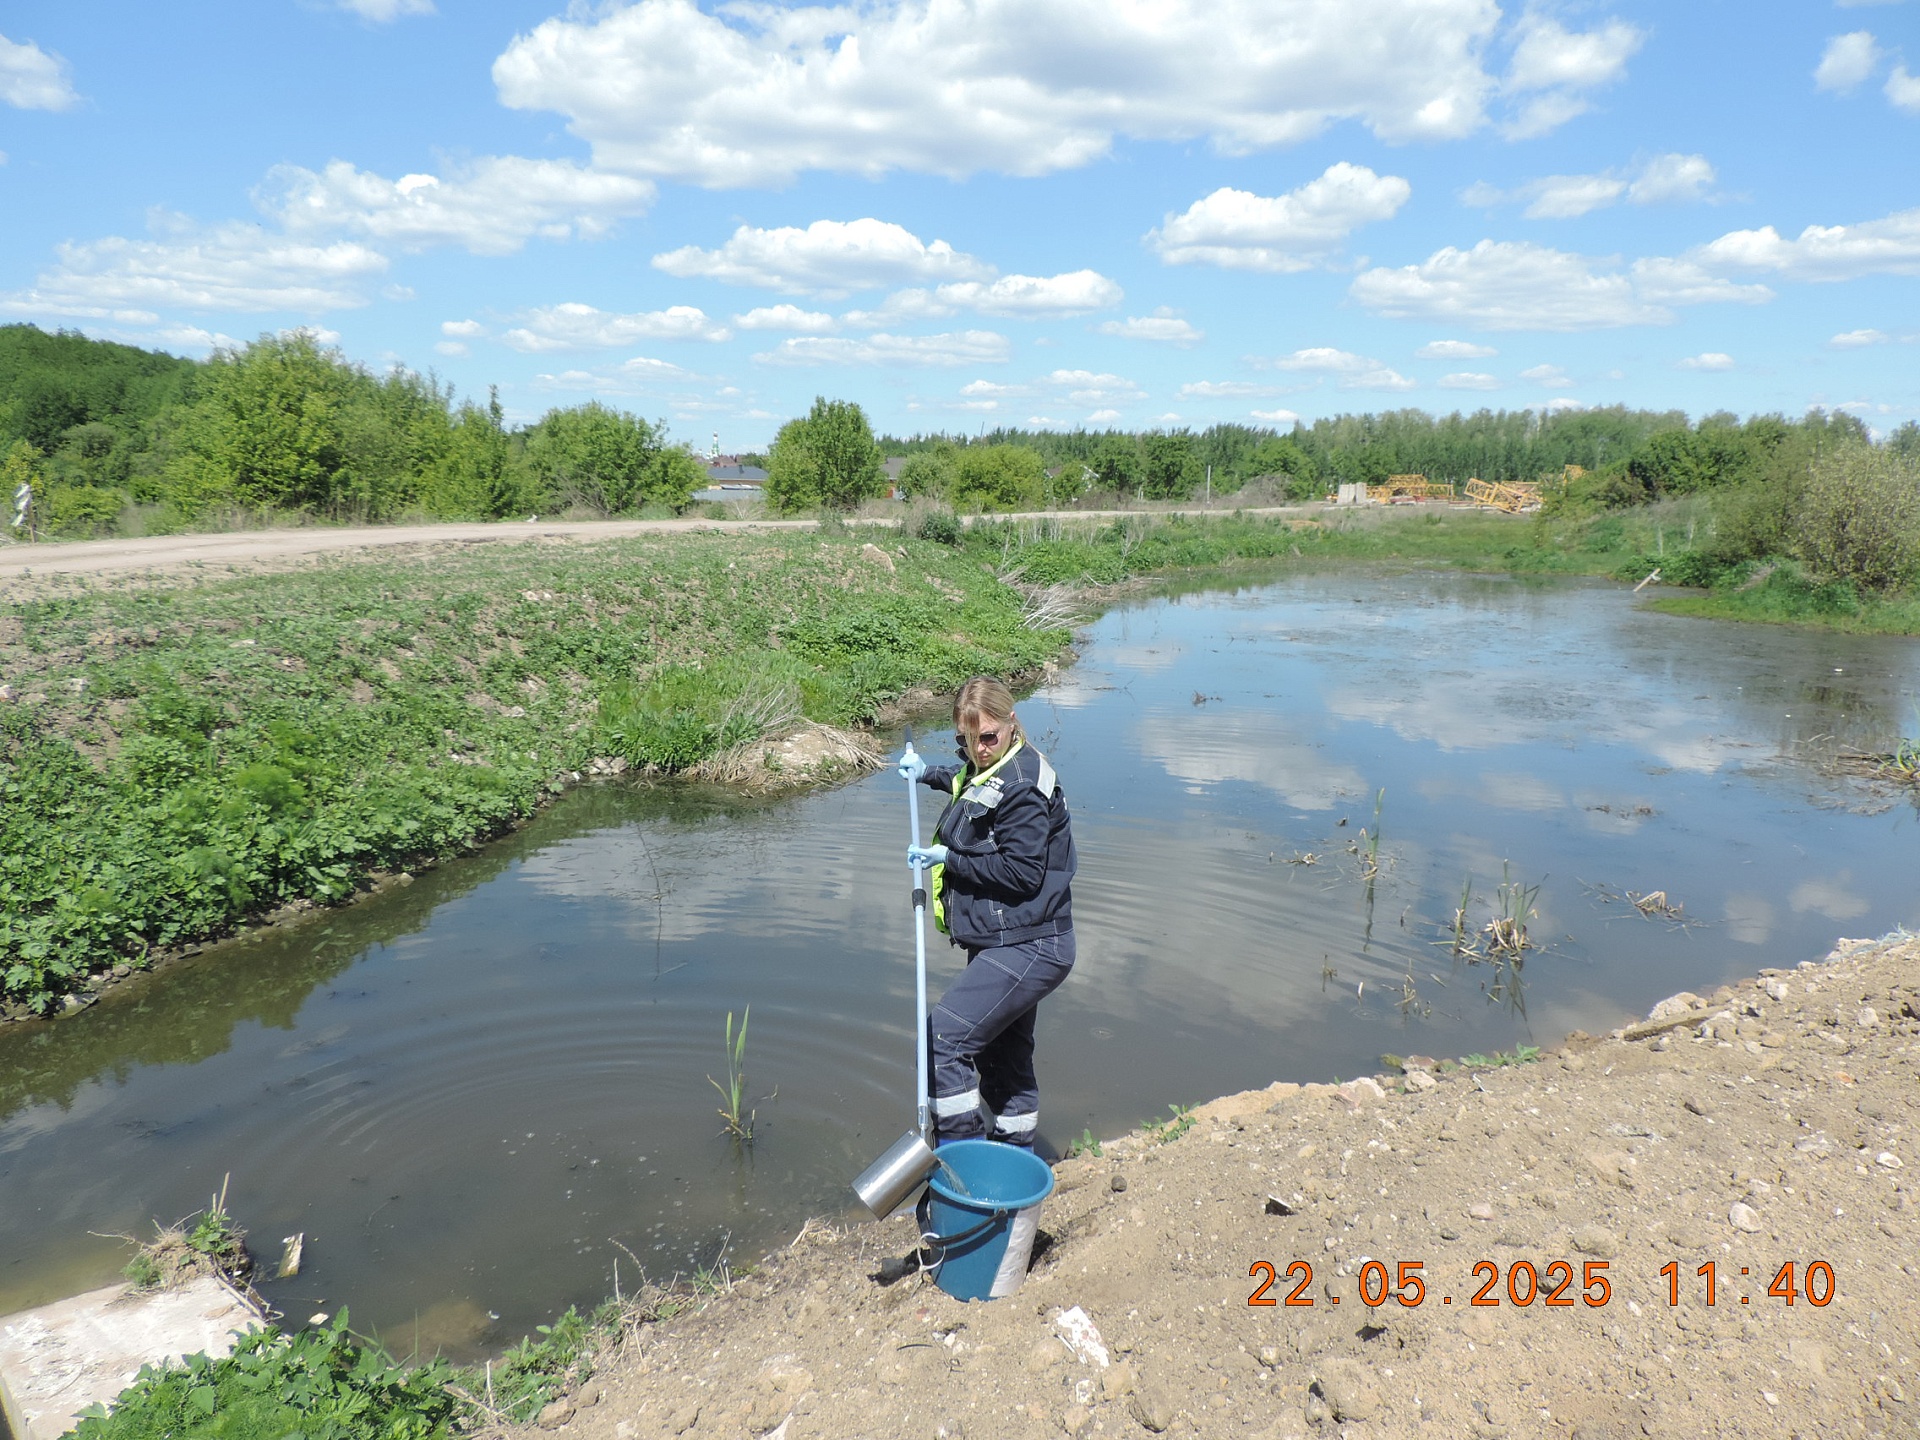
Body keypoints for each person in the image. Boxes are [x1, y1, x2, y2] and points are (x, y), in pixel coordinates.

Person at [900, 676, 1076, 1151]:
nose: (977, 748)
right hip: (1007, 938)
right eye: (965, 739)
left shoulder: (1022, 785)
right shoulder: (997, 764)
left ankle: (963, 1160)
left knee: (943, 1042)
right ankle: (1015, 1158)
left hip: (1030, 945)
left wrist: (949, 859)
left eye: (987, 736)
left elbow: (1022, 873)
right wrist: (927, 773)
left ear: (1012, 722)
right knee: (1005, 1059)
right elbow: (971, 785)